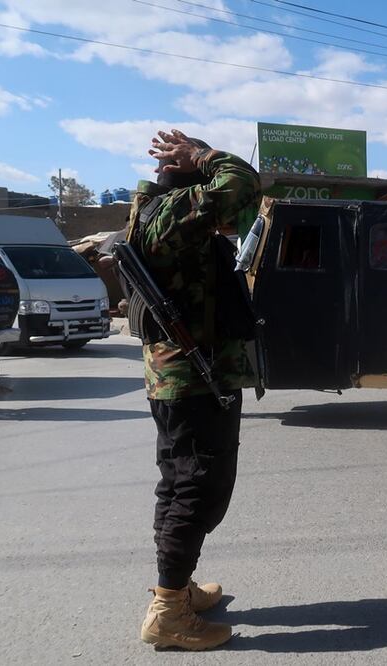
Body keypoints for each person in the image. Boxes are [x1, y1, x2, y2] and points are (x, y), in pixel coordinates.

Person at [128, 129, 261, 651]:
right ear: (189, 176)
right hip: (192, 377)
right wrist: (205, 156)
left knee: (178, 483)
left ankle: (177, 590)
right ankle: (167, 612)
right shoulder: (172, 211)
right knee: (196, 488)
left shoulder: (159, 212)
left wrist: (199, 157)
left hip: (183, 376)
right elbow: (243, 183)